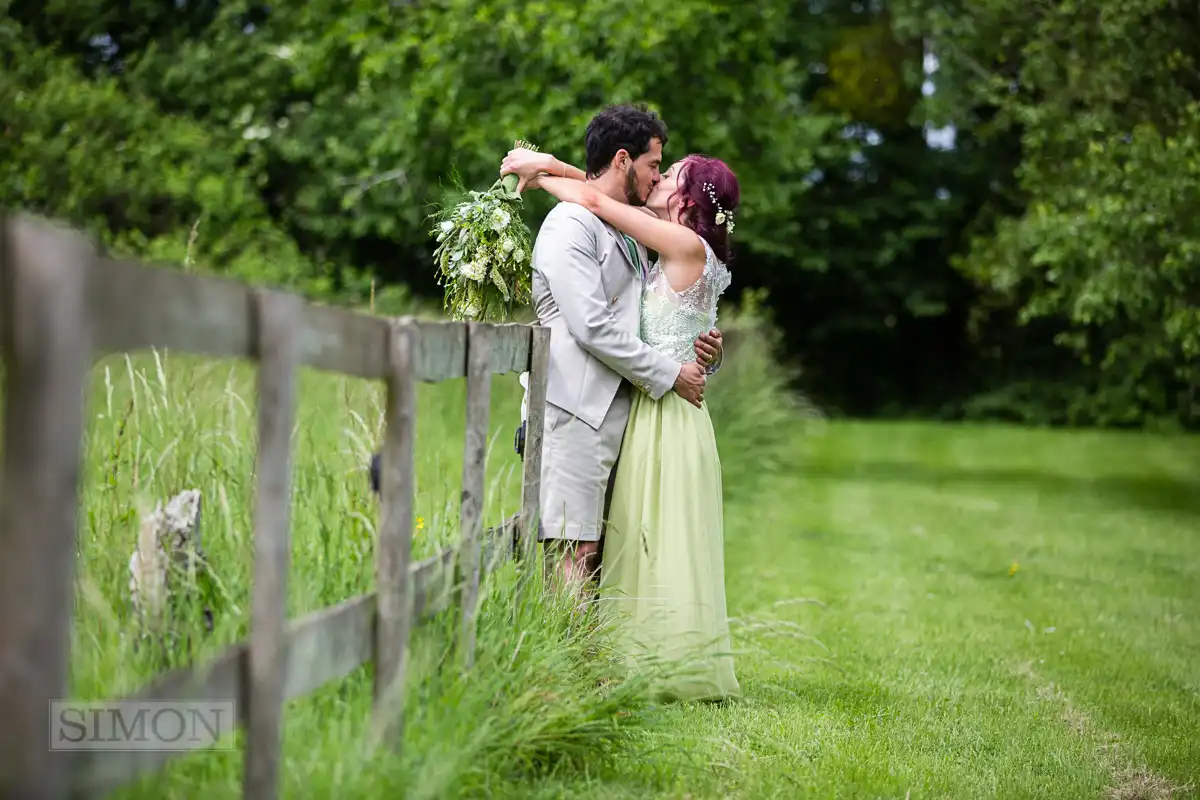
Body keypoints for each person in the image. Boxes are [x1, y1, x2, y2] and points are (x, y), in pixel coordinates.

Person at [501, 126, 742, 702]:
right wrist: (699, 352)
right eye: (657, 166)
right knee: (626, 539)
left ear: (684, 202)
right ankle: (601, 666)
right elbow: (599, 200)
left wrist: (545, 165)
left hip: (662, 411)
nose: (659, 177)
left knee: (642, 539)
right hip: (646, 406)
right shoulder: (662, 246)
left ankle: (634, 666)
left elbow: (593, 197)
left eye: (670, 174)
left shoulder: (679, 248)